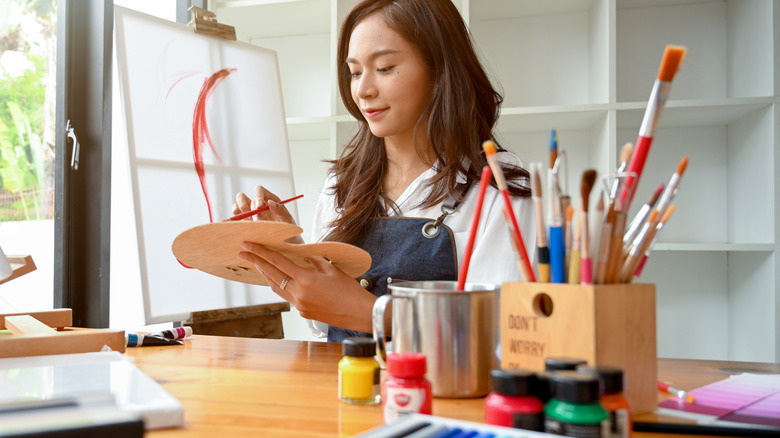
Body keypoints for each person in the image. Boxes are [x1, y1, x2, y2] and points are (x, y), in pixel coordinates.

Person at [235, 0, 535, 342]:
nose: (363, 90)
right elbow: (324, 328)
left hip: (438, 394)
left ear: (441, 70)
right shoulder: (342, 184)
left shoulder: (498, 186)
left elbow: (506, 334)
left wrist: (372, 314)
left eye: (386, 67)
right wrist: (294, 254)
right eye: (355, 72)